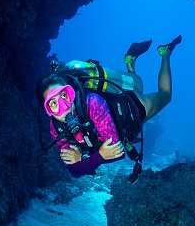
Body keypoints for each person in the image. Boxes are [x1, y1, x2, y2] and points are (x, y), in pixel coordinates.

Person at [36, 36, 182, 179]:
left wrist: (84, 157)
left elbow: (116, 153)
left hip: (134, 108)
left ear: (71, 91)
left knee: (166, 95)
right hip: (123, 121)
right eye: (53, 103)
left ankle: (165, 53)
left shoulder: (93, 103)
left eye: (64, 96)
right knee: (137, 85)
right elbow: (74, 171)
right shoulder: (56, 127)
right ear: (47, 110)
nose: (64, 107)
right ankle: (130, 62)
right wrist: (100, 155)